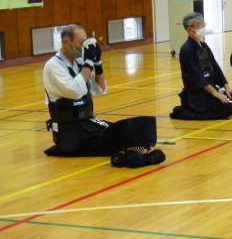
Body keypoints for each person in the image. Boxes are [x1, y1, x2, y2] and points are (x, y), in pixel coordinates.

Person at [43, 25, 165, 166]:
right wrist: (88, 63)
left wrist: (98, 64)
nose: (84, 47)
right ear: (66, 42)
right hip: (69, 129)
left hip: (86, 121)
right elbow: (76, 92)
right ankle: (130, 158)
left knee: (126, 130)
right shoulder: (53, 65)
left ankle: (138, 153)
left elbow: (100, 88)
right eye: (81, 43)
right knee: (116, 139)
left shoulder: (78, 62)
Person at [170, 12, 232, 120]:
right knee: (227, 108)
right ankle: (182, 111)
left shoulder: (204, 46)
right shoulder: (186, 50)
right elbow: (197, 76)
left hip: (211, 87)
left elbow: (215, 67)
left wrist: (227, 87)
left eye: (203, 24)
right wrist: (216, 94)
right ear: (189, 30)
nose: (203, 27)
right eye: (199, 24)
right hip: (197, 92)